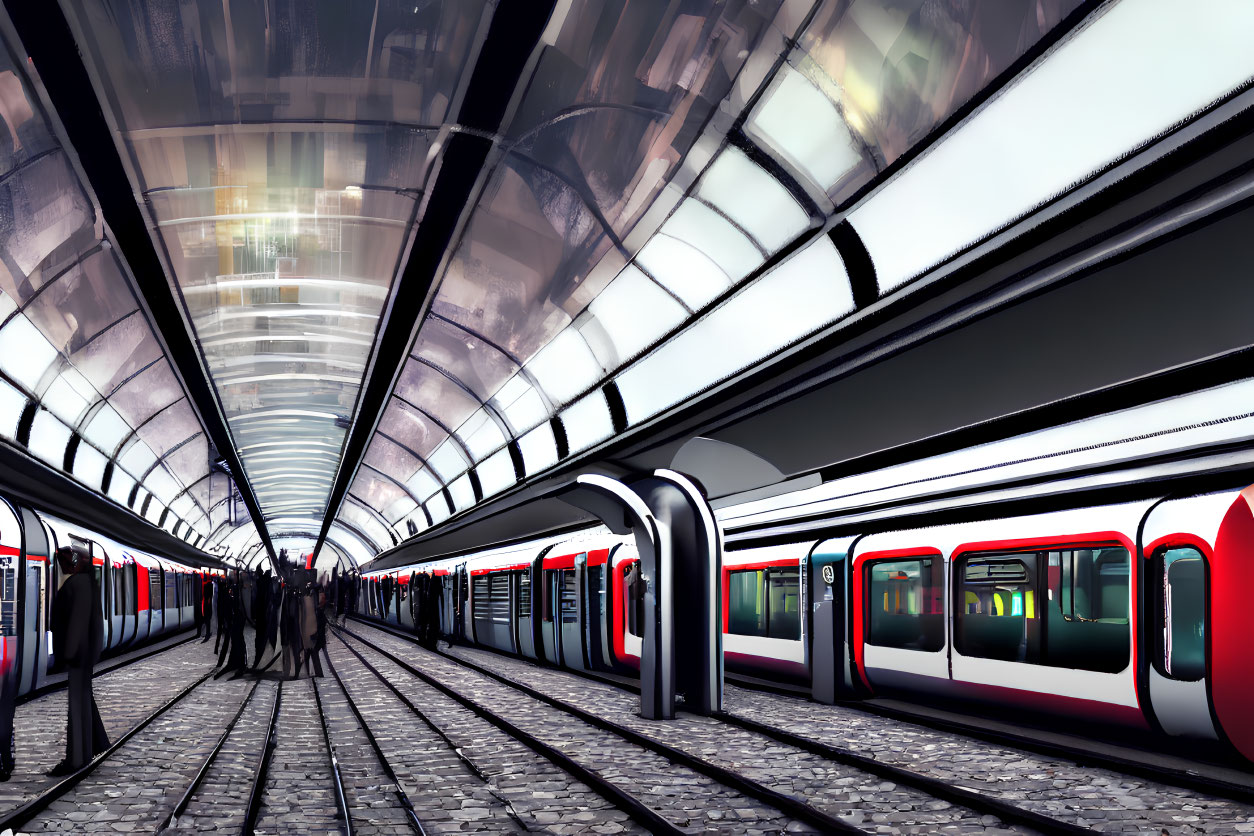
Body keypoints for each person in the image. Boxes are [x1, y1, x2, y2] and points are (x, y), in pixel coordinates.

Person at [48, 544, 107, 775]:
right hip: (85, 654)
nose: (62, 566)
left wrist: (69, 653)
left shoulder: (77, 585)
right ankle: (97, 745)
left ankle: (77, 759)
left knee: (77, 704)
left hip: (78, 656)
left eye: (64, 561)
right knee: (84, 700)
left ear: (76, 562)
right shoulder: (88, 584)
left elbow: (76, 624)